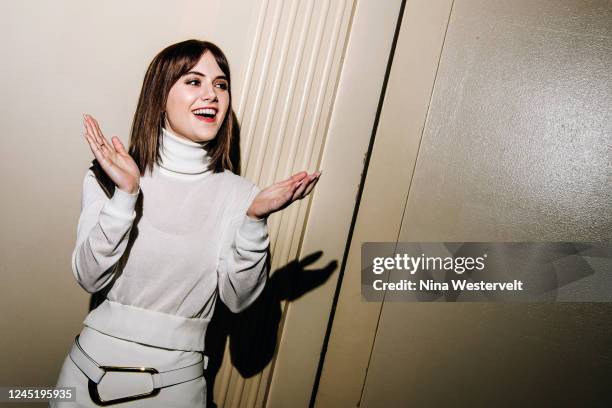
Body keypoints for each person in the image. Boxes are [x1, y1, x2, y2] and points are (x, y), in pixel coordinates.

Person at [52, 39, 320, 407]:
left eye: (221, 84)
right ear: (160, 96)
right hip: (83, 382)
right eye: (194, 81)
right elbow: (89, 276)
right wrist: (126, 196)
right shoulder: (111, 173)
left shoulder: (241, 195)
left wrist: (254, 221)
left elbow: (239, 300)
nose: (211, 94)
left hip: (175, 390)